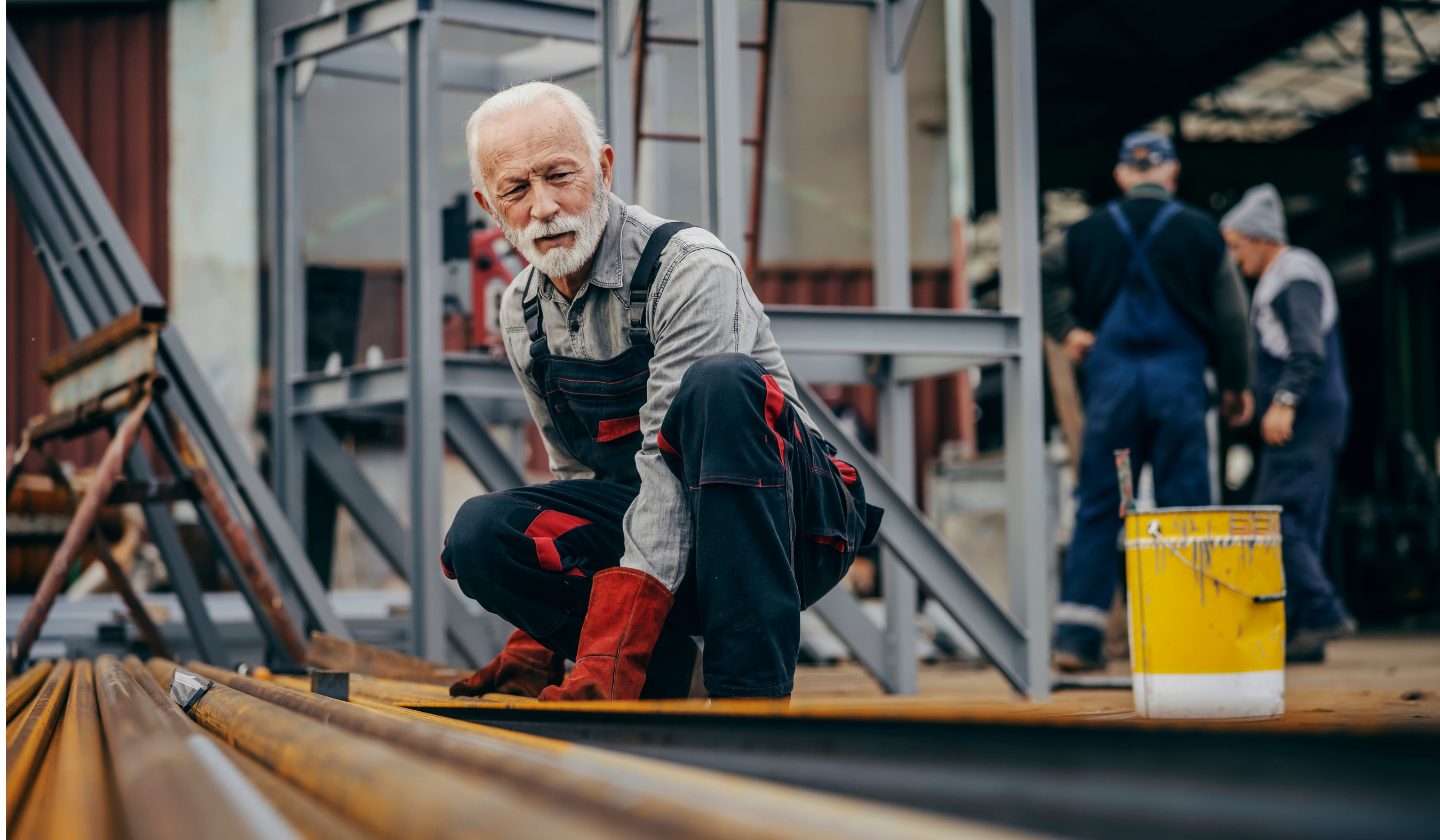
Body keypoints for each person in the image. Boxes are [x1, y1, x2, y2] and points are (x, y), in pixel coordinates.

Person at [441, 82, 883, 701]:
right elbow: (578, 481)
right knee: (480, 534)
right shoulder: (523, 312)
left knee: (722, 385)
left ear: (603, 167)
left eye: (559, 176)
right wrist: (535, 636)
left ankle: (748, 697)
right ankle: (661, 674)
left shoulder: (689, 267)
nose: (542, 207)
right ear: (490, 204)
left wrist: (611, 645)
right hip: (660, 548)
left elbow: (663, 465)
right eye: (516, 189)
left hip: (787, 528)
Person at [1042, 130, 1254, 671]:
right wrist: (1236, 386)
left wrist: (1067, 330)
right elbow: (1233, 319)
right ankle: (1189, 635)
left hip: (1114, 397)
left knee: (1104, 503)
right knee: (1185, 507)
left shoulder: (1083, 234)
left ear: (1121, 176)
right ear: (1171, 173)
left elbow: (1039, 274)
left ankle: (1076, 638)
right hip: (1178, 391)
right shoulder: (1204, 234)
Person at [1221, 183, 1354, 662]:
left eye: (1236, 247)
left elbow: (1306, 348)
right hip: (1313, 414)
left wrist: (1284, 400)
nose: (1236, 260)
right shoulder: (1283, 276)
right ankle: (1303, 634)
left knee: (1274, 523)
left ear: (1259, 238)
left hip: (1307, 417)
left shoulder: (1294, 274)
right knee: (1300, 522)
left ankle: (1321, 613)